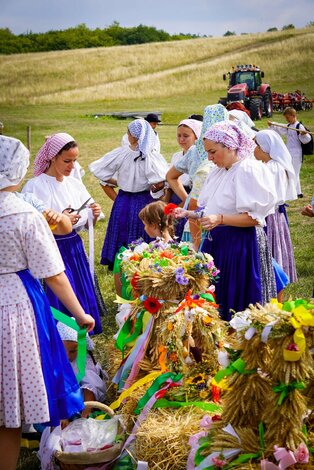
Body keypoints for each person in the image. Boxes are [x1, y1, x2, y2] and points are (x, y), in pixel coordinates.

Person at [0, 135, 95, 470]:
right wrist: (80, 313)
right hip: (11, 305)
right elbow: (54, 274)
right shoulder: (23, 213)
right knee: (6, 406)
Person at [22, 133, 104, 334]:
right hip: (51, 246)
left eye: (75, 161)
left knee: (77, 284)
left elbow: (91, 210)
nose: (72, 166)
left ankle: (83, 326)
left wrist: (89, 214)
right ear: (52, 158)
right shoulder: (35, 186)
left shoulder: (74, 183)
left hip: (73, 245)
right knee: (59, 285)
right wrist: (61, 219)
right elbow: (31, 221)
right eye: (67, 161)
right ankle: (62, 331)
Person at [198, 121, 277, 321]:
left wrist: (220, 218)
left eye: (213, 151)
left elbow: (254, 219)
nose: (209, 157)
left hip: (241, 244)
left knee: (239, 298)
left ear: (230, 146)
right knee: (219, 294)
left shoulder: (246, 170)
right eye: (208, 152)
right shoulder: (221, 170)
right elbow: (215, 205)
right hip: (221, 243)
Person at [89, 118, 168, 272]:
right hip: (143, 199)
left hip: (125, 199)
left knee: (125, 226)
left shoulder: (124, 153)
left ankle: (120, 260)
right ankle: (141, 260)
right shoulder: (151, 156)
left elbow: (100, 171)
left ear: (132, 136)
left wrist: (121, 182)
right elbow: (162, 180)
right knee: (140, 227)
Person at [167, 104, 229, 249]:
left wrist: (186, 199)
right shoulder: (215, 159)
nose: (210, 156)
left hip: (209, 213)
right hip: (205, 215)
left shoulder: (195, 151)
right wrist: (186, 199)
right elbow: (195, 204)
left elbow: (171, 176)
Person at [254, 129, 298, 284]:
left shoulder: (271, 168)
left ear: (265, 148)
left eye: (256, 146)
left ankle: (273, 278)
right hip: (276, 213)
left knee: (270, 246)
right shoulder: (273, 165)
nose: (254, 150)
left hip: (270, 214)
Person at [57, 321, 107, 410]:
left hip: (83, 402)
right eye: (63, 351)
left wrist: (85, 413)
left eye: (73, 351)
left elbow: (89, 387)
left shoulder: (83, 362)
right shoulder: (55, 358)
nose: (67, 356)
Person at [168, 118, 202, 239]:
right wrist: (185, 198)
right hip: (182, 196)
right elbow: (170, 177)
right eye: (179, 136)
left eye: (186, 136)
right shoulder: (177, 156)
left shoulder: (197, 153)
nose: (181, 139)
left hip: (194, 198)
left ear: (196, 136)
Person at [268, 107, 311, 198]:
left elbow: (306, 140)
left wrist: (304, 134)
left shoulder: (299, 126)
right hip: (289, 152)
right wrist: (273, 124)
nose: (287, 120)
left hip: (297, 153)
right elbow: (280, 127)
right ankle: (298, 192)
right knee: (292, 171)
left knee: (294, 172)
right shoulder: (288, 126)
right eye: (286, 118)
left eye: (288, 118)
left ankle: (293, 193)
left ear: (293, 116)